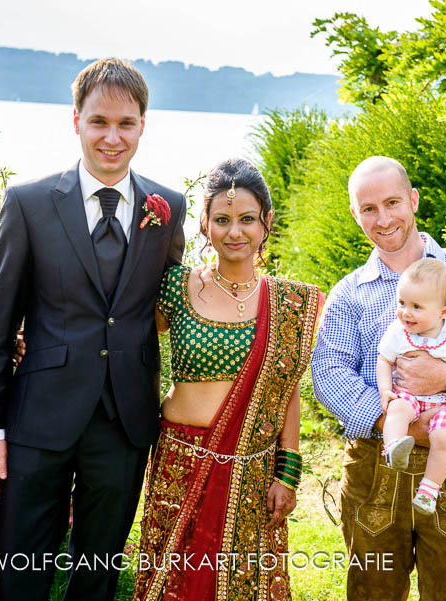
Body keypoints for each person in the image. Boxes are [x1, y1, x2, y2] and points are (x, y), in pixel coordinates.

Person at [0, 58, 186, 601]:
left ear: (143, 124)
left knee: (97, 571)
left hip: (124, 420)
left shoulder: (169, 209)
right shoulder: (29, 203)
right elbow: (0, 324)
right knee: (22, 567)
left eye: (125, 124)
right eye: (99, 122)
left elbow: (167, 302)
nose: (111, 138)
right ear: (75, 120)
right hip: (38, 418)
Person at [311, 156, 446, 601]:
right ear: (355, 214)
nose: (384, 218)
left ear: (412, 200)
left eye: (392, 202)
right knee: (372, 591)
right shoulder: (349, 293)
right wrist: (394, 423)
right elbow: (329, 374)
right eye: (369, 208)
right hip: (376, 468)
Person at [132, 158, 322, 601]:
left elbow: (287, 390)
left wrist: (287, 473)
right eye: (222, 219)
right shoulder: (176, 286)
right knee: (174, 583)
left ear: (266, 222)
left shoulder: (292, 302)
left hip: (252, 468)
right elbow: (118, 335)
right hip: (181, 461)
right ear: (204, 224)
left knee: (240, 586)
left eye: (247, 219)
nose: (234, 232)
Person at [376, 258, 446, 514]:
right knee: (397, 409)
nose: (406, 312)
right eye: (402, 303)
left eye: (416, 307)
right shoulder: (397, 331)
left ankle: (428, 490)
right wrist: (385, 390)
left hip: (445, 404)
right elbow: (384, 360)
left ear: (444, 312)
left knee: (444, 437)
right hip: (410, 396)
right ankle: (394, 448)